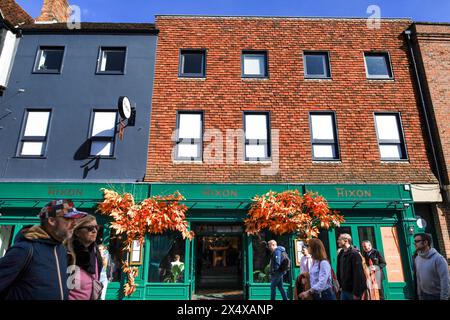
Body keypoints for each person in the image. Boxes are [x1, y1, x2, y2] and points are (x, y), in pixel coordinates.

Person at [0, 199, 87, 300]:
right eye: (68, 219)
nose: (74, 224)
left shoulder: (62, 250)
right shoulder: (25, 249)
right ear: (51, 221)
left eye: (75, 219)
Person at [66, 214, 103, 300]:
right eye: (90, 228)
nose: (94, 231)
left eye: (96, 227)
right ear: (77, 232)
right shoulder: (67, 253)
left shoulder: (95, 252)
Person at [412, 233, 449, 300]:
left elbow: (445, 281)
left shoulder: (438, 259)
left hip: (437, 295)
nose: (414, 243)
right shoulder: (417, 258)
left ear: (425, 242)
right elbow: (418, 277)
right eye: (414, 241)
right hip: (424, 295)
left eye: (417, 241)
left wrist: (444, 298)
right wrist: (419, 295)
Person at [336, 233, 367, 300]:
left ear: (346, 240)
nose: (337, 241)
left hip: (352, 292)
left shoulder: (354, 254)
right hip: (343, 290)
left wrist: (356, 293)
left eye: (339, 239)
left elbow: (358, 275)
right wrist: (340, 286)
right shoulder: (340, 254)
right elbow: (339, 271)